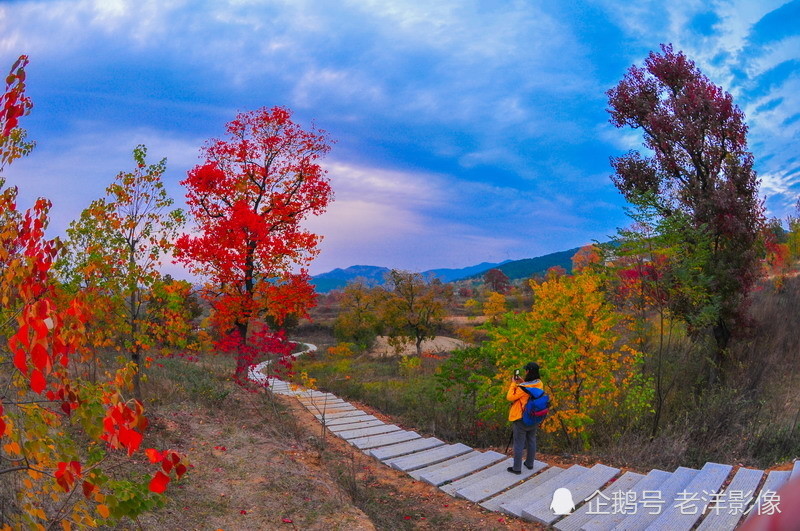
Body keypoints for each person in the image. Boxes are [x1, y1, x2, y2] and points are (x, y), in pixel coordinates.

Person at [506, 361, 544, 474]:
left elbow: (510, 397)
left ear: (528, 371)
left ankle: (517, 468)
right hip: (534, 416)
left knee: (519, 443)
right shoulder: (539, 383)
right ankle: (529, 463)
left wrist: (514, 383)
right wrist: (522, 382)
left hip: (522, 418)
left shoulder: (522, 387)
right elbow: (530, 390)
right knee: (531, 440)